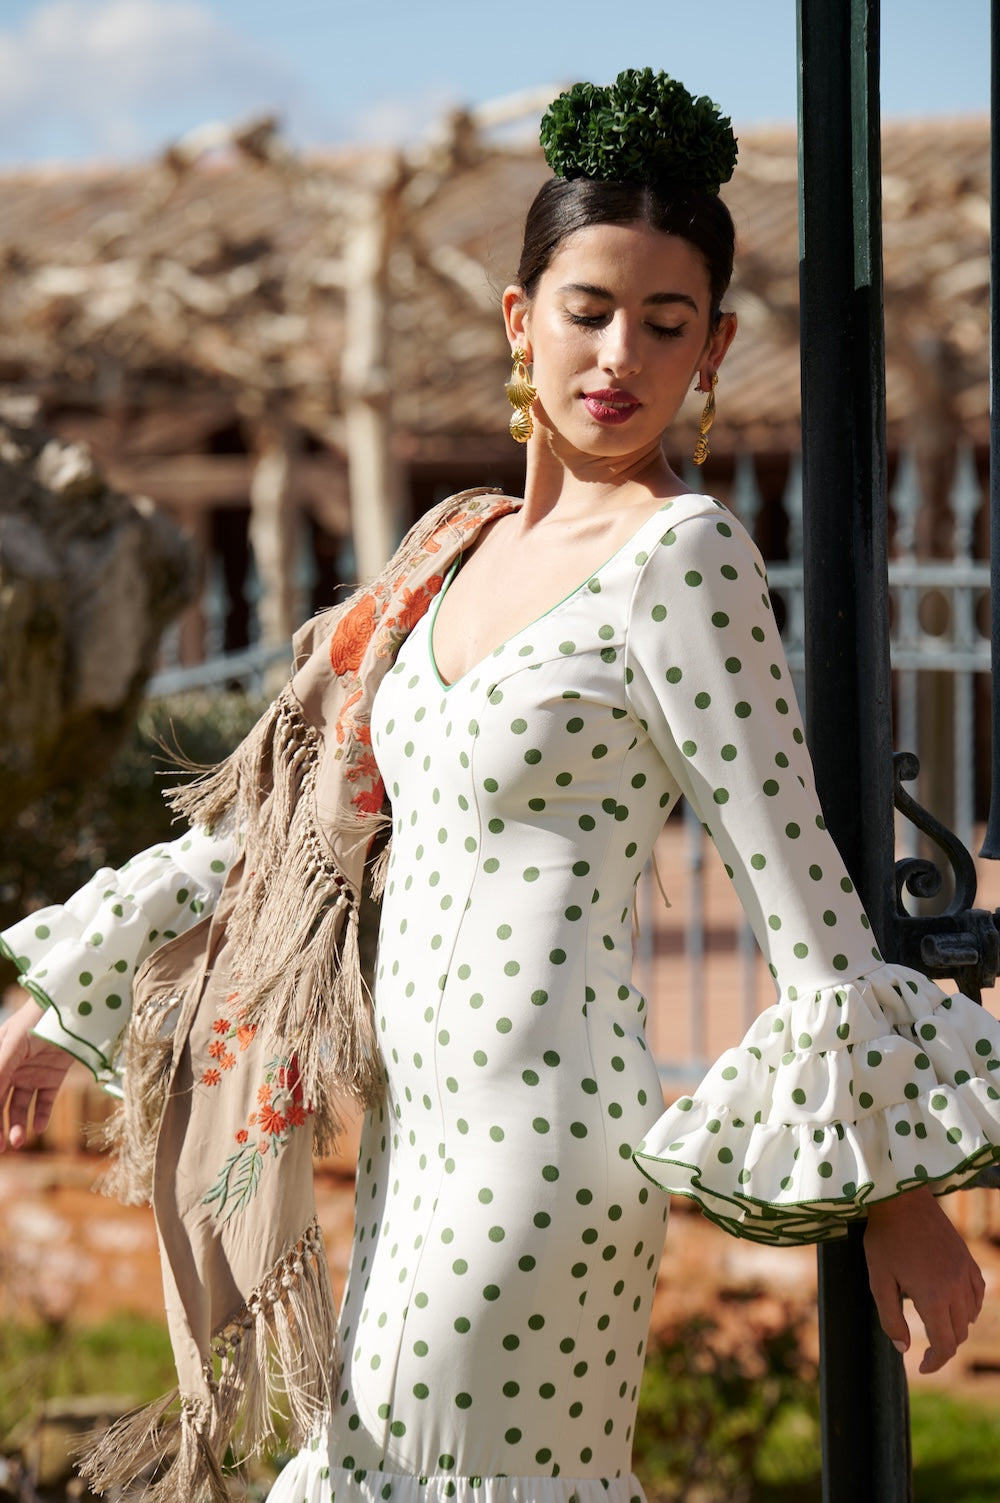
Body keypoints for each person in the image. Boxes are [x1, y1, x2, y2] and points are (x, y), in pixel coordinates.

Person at [0, 68, 995, 1503]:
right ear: (522, 323)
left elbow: (804, 897)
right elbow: (295, 835)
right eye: (589, 310)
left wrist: (897, 1202)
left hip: (546, 1156)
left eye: (666, 325)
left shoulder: (684, 560)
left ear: (713, 350)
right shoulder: (447, 553)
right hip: (412, 1138)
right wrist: (64, 990)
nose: (619, 356)